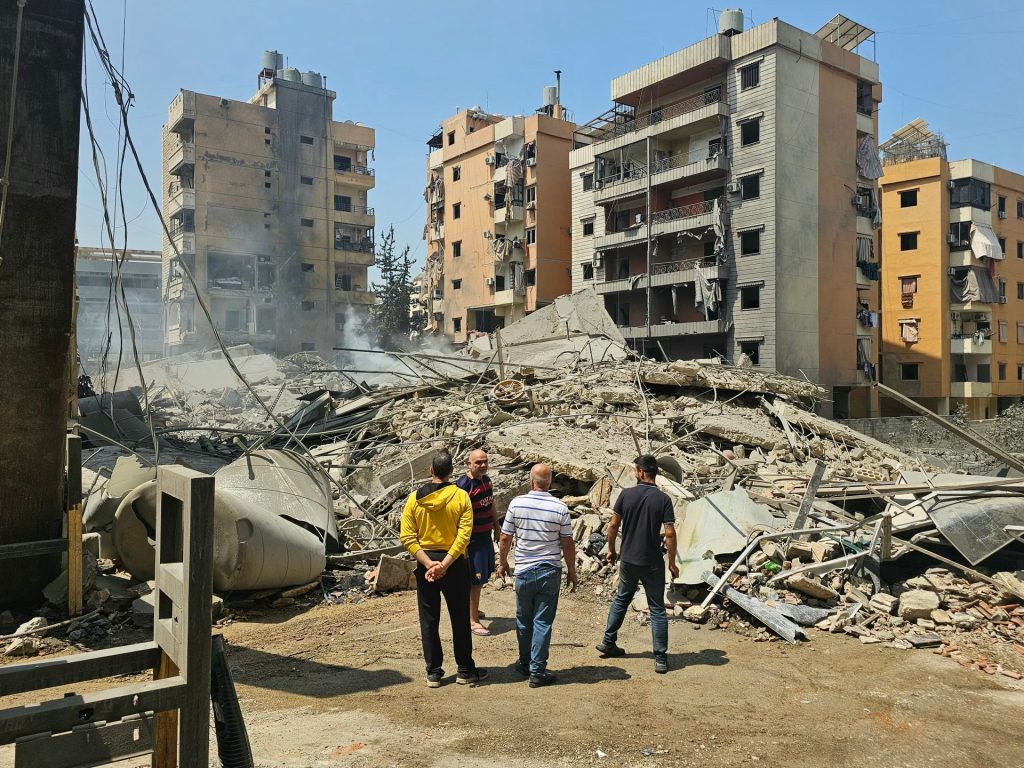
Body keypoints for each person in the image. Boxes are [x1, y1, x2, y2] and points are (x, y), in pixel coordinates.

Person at [400, 452, 487, 688]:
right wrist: (445, 564)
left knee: (429, 619)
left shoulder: (414, 499)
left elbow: (407, 536)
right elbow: (464, 536)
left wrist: (429, 564)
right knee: (460, 618)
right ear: (451, 472)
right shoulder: (460, 496)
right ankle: (465, 670)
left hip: (425, 562)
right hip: (454, 563)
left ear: (431, 470)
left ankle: (434, 672)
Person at [596, 454, 679, 674]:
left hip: (628, 559)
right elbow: (670, 533)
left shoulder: (626, 495)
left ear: (641, 472)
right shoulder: (663, 500)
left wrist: (611, 549)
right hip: (652, 562)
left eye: (635, 470)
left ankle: (608, 641)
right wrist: (672, 563)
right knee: (657, 608)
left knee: (622, 598)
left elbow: (613, 525)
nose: (634, 472)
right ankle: (660, 658)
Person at [497, 463, 577, 688]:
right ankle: (537, 671)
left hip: (523, 571)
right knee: (542, 622)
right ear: (549, 482)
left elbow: (505, 537)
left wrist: (502, 563)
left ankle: (525, 663)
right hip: (549, 571)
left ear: (531, 481)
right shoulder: (560, 507)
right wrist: (572, 571)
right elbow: (568, 543)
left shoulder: (517, 503)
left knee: (523, 620)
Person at [455, 449, 497, 637]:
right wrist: (462, 544)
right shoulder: (463, 486)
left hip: (485, 536)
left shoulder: (486, 480)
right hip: (472, 541)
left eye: (485, 461)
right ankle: (473, 620)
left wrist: (497, 525)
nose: (482, 465)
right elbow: (456, 515)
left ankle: (473, 609)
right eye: (478, 462)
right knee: (475, 580)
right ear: (469, 464)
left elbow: (491, 504)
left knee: (482, 576)